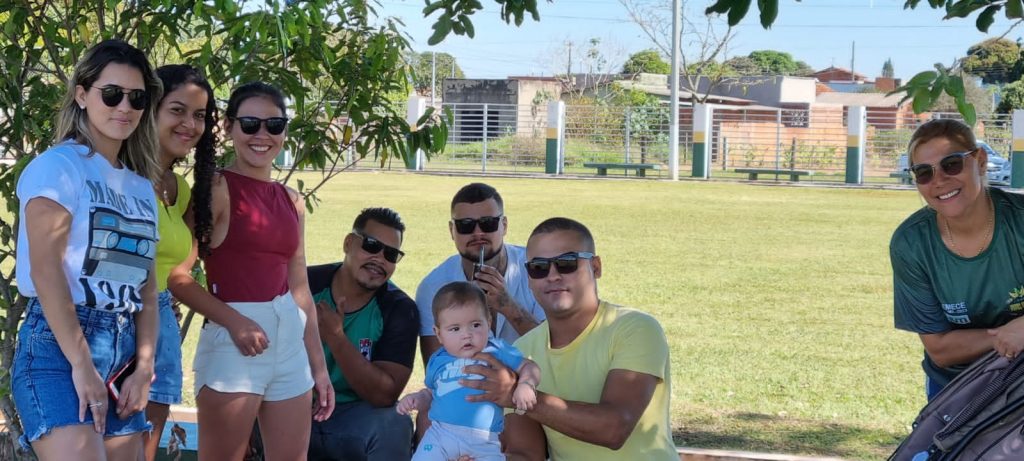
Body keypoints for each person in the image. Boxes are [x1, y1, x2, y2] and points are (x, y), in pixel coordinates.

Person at [12, 39, 162, 460]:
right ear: (82, 94)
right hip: (60, 348)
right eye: (111, 94)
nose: (125, 107)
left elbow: (146, 288)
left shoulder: (139, 186)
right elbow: (46, 272)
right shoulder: (58, 167)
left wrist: (145, 367)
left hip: (124, 352)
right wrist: (81, 363)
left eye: (137, 98)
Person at [170, 81, 334, 459]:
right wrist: (234, 321)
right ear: (228, 128)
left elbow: (300, 289)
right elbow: (178, 277)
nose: (262, 135)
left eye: (274, 126)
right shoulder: (218, 189)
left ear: (284, 132)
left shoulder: (291, 200)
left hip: (289, 341)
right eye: (249, 124)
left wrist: (319, 368)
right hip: (234, 343)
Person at [464, 217, 676, 460]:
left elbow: (615, 428)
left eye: (567, 263)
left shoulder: (634, 328)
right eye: (539, 268)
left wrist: (518, 394)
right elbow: (525, 453)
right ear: (529, 277)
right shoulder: (522, 351)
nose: (553, 276)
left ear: (595, 267)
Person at [892, 118, 1024, 400]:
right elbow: (940, 350)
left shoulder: (1020, 221)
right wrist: (1007, 334)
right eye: (924, 172)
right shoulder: (911, 243)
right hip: (958, 389)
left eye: (951, 164)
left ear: (980, 161)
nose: (939, 180)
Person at [142, 64, 217, 461]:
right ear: (150, 108)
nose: (190, 124)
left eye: (200, 115)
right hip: (116, 326)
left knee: (144, 450)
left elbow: (178, 272)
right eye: (177, 110)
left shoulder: (179, 187)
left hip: (162, 329)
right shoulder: (120, 177)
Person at [306, 207, 419, 460]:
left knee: (395, 424)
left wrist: (336, 338)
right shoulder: (305, 285)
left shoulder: (399, 309)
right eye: (371, 245)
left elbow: (384, 395)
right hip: (294, 407)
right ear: (348, 243)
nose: (379, 259)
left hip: (355, 416)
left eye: (391, 254)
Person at [398, 282, 541, 461]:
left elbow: (530, 366)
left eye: (475, 325)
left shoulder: (497, 350)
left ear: (488, 323)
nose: (466, 334)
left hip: (484, 440)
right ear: (439, 334)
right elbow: (432, 393)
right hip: (441, 434)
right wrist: (417, 399)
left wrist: (526, 384)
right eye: (455, 329)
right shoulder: (438, 360)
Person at [416, 182, 546, 365]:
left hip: (534, 386)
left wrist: (508, 305)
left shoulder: (537, 269)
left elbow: (555, 350)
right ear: (451, 230)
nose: (478, 233)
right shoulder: (433, 286)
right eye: (465, 226)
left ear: (504, 225)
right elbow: (438, 367)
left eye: (488, 223)